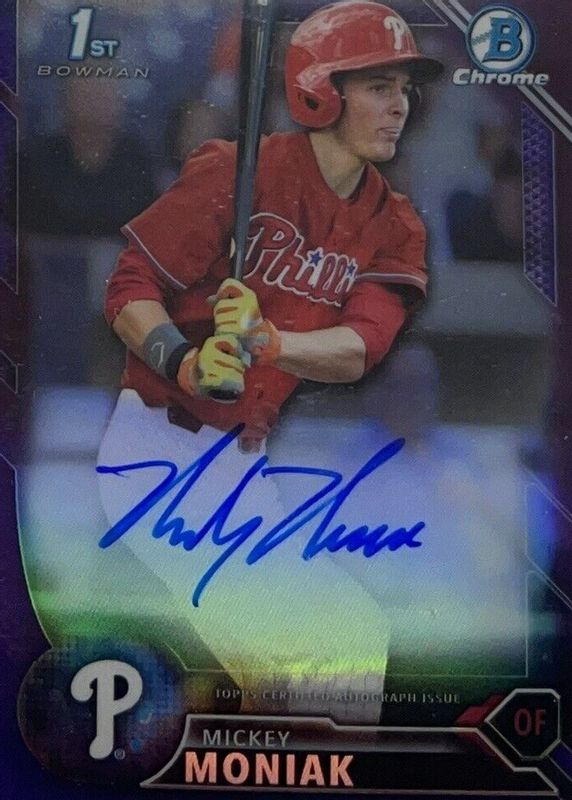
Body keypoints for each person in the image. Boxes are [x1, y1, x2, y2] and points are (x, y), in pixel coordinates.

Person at [98, 0, 442, 723]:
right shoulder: (238, 171)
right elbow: (129, 287)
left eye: (405, 90)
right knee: (328, 642)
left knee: (336, 648)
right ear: (322, 90)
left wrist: (270, 342)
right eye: (379, 86)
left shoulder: (396, 224)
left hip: (237, 469)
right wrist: (184, 360)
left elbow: (359, 350)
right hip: (159, 449)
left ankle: (300, 760)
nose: (400, 106)